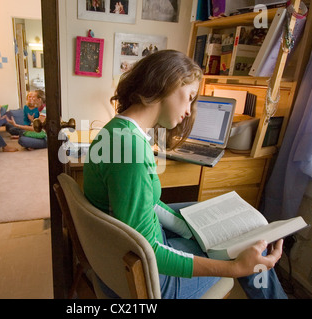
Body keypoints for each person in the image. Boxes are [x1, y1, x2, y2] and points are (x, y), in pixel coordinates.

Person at [82, 50, 287, 299]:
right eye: (189, 97)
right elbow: (151, 252)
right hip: (153, 281)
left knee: (217, 221)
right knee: (247, 244)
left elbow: (146, 204)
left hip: (115, 263)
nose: (189, 111)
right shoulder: (130, 149)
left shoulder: (118, 130)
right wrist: (233, 268)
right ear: (168, 82)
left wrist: (189, 229)